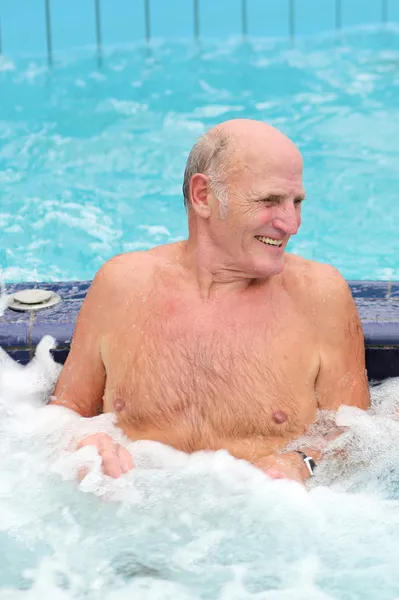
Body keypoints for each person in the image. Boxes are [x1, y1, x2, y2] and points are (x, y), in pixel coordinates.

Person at [52, 119, 370, 484]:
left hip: (265, 519)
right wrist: (85, 441)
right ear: (204, 196)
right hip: (136, 514)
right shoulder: (122, 285)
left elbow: (356, 441)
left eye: (296, 202)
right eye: (269, 201)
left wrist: (302, 461)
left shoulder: (320, 294)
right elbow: (65, 413)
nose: (291, 224)